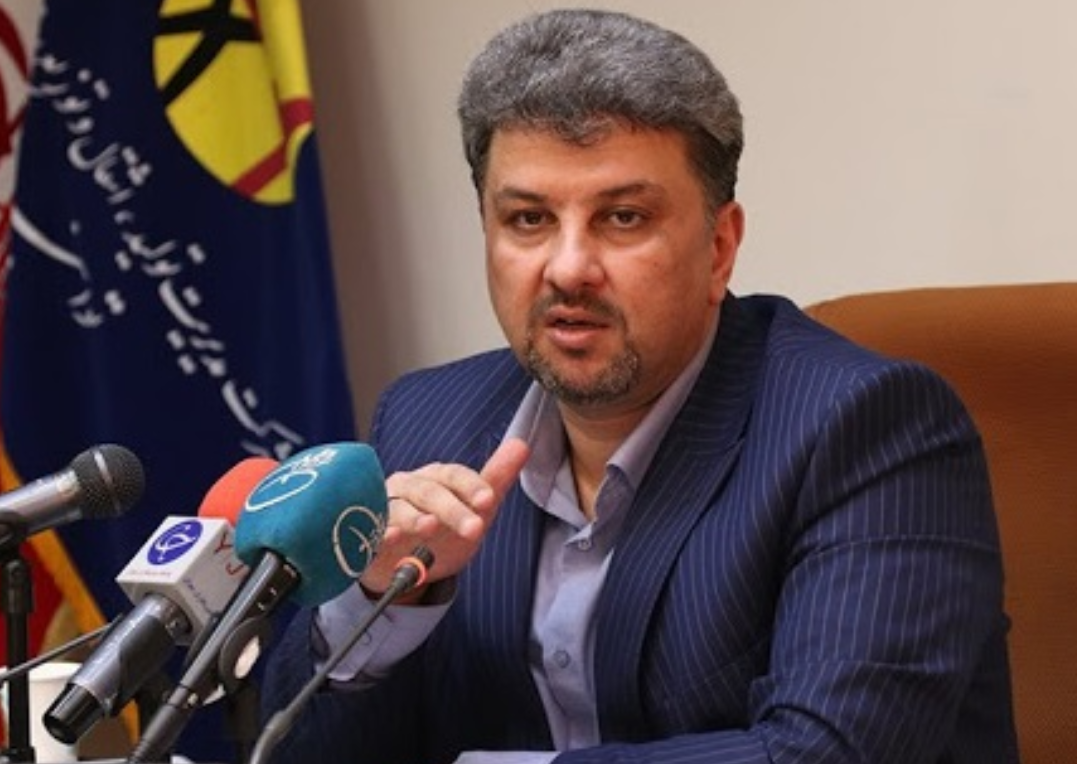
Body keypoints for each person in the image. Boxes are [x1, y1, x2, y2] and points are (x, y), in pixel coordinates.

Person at [261, 8, 1019, 763]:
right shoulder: (427, 420)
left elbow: (825, 753)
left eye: (622, 218)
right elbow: (293, 753)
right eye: (528, 219)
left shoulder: (866, 428)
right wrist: (381, 602)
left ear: (719, 247)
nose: (567, 269)